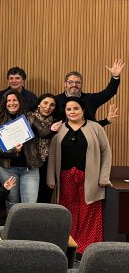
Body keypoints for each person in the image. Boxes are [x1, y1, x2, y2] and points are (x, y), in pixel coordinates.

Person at [47, 98, 112, 254]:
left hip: (90, 178)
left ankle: (86, 251)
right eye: (68, 109)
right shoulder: (59, 128)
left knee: (88, 213)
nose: (72, 112)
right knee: (68, 213)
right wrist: (51, 177)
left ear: (83, 110)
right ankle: (69, 248)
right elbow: (53, 154)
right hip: (65, 178)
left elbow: (106, 152)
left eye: (76, 108)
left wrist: (104, 177)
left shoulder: (95, 127)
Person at [0, 89, 62, 212]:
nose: (12, 103)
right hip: (7, 169)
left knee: (30, 205)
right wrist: (14, 151)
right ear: (4, 103)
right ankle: (13, 231)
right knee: (12, 203)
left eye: (15, 100)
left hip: (30, 169)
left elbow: (42, 132)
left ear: (19, 102)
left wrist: (52, 129)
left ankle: (28, 231)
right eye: (9, 100)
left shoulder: (29, 117)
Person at [53, 59, 124, 125]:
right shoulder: (56, 100)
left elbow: (109, 92)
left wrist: (115, 77)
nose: (74, 85)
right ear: (65, 84)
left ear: (82, 84)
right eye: (70, 82)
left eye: (77, 82)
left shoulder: (90, 99)